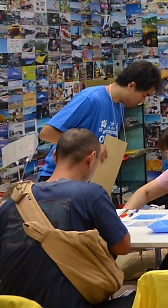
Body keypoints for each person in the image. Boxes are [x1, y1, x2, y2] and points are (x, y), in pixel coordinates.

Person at [0, 129, 133, 308]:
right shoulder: (91, 194)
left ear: (55, 156)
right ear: (91, 159)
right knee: (140, 295)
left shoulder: (13, 202)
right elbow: (122, 247)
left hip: (14, 305)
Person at [38, 61, 161, 181]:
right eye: (144, 95)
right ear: (131, 86)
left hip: (86, 181)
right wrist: (92, 147)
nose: (142, 101)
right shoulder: (91, 98)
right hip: (58, 179)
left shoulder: (120, 107)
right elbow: (47, 133)